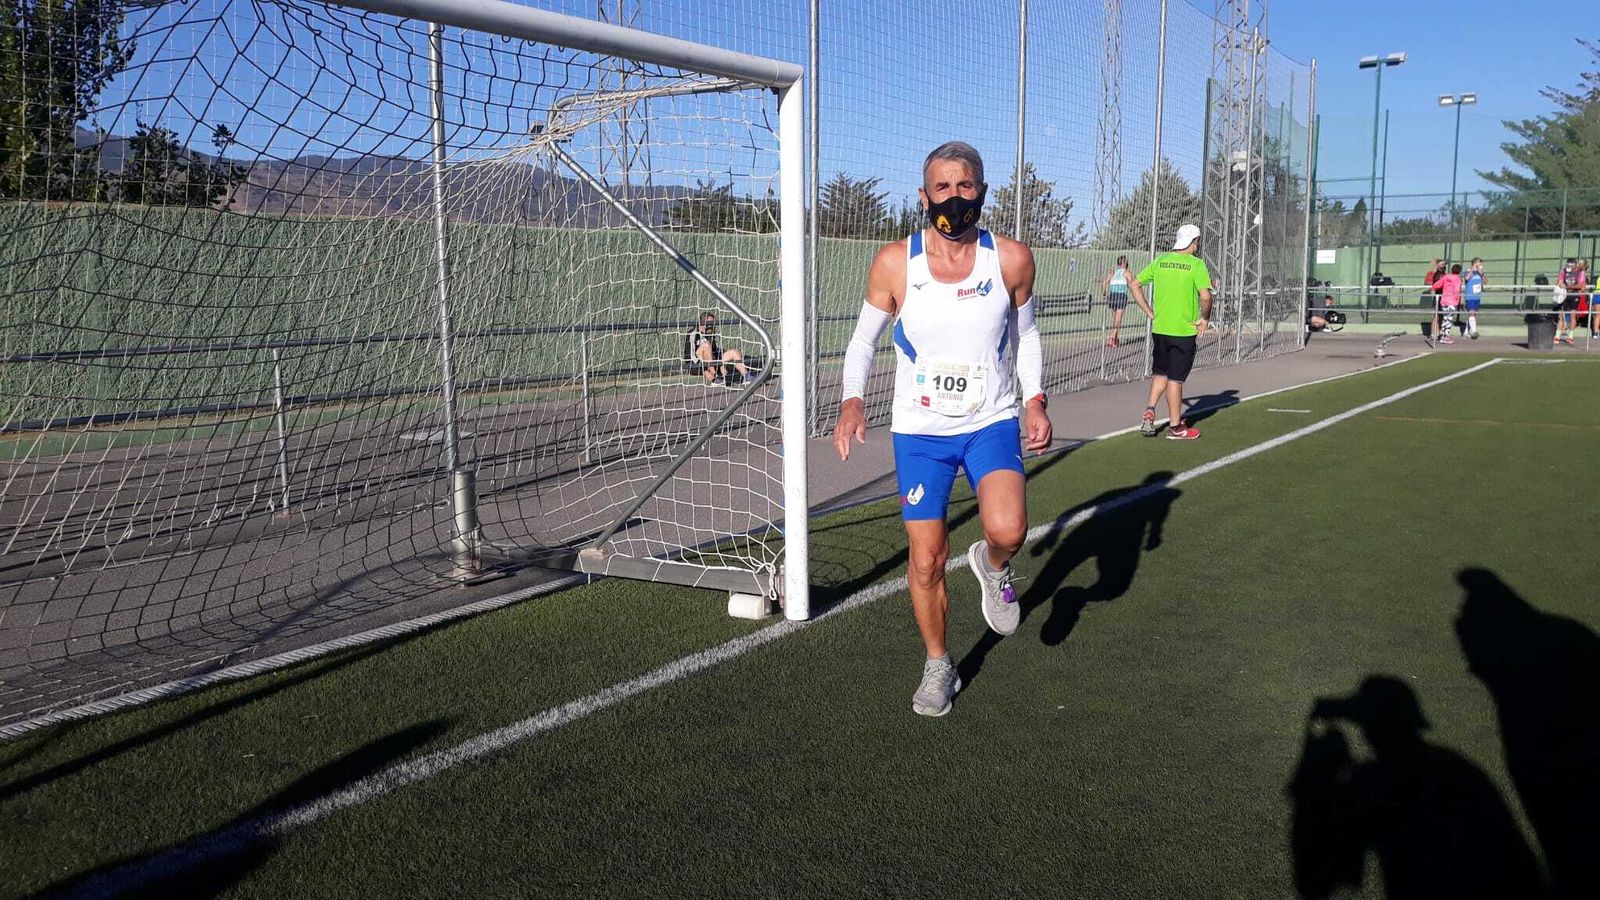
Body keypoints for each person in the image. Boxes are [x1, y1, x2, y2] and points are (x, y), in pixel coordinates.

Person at [832, 141, 1051, 718]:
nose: (955, 197)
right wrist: (852, 402)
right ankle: (938, 663)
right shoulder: (893, 263)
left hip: (990, 419)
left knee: (1008, 528)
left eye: (966, 185)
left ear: (982, 189)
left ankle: (994, 565)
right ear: (924, 195)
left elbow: (1025, 335)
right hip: (920, 431)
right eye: (942, 187)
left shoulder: (1010, 259)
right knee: (926, 558)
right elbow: (863, 342)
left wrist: (1035, 400)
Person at [1135, 224, 1212, 440]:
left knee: (1161, 372)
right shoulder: (1196, 265)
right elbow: (1206, 296)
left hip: (1160, 329)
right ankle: (1176, 427)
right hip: (1183, 331)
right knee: (1175, 380)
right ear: (1194, 243)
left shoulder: (1160, 261)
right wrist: (1205, 319)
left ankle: (1150, 410)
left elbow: (1134, 284)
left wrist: (1149, 312)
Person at [688, 311, 749, 385]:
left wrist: (721, 364)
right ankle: (716, 377)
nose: (712, 325)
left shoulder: (710, 333)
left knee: (733, 352)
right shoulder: (693, 334)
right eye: (710, 323)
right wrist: (704, 370)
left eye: (713, 323)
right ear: (702, 323)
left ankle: (747, 376)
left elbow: (715, 351)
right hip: (698, 364)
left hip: (712, 361)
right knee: (706, 345)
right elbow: (691, 357)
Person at [1100, 255, 1147, 347]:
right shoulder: (1127, 273)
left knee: (1115, 319)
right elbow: (1132, 284)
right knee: (1118, 320)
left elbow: (1104, 282)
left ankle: (1115, 341)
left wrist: (1104, 294)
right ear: (1125, 263)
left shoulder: (1112, 273)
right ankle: (1111, 338)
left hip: (1112, 296)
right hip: (1121, 295)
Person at [1433, 264, 1463, 345]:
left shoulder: (1446, 277)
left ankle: (1443, 336)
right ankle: (1445, 337)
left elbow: (1437, 285)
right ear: (1459, 271)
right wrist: (1458, 300)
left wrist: (1434, 287)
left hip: (1444, 300)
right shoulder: (1458, 279)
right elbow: (1457, 290)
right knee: (1448, 319)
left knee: (1445, 318)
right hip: (1452, 301)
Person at [1555, 258, 1582, 345]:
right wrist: (1562, 285)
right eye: (1568, 264)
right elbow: (1559, 282)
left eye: (1572, 264)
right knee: (1561, 316)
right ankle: (1557, 336)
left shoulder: (1580, 272)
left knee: (1572, 316)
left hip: (1574, 296)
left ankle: (1570, 336)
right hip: (1564, 295)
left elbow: (1580, 285)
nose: (1570, 266)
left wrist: (1569, 286)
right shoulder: (1563, 271)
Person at [1462, 258, 1485, 340]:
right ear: (1475, 263)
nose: (1481, 266)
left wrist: (1482, 274)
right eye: (1479, 264)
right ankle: (1474, 331)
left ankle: (1466, 332)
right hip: (1470, 296)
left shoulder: (1480, 273)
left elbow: (1486, 281)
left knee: (1473, 315)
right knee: (1471, 313)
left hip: (1477, 296)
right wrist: (1472, 269)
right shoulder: (1467, 271)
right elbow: (1467, 278)